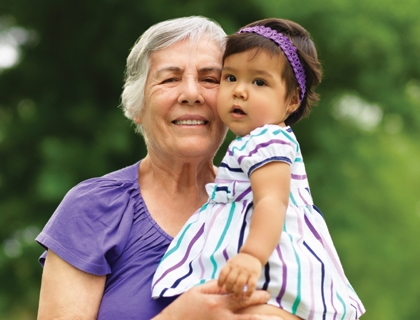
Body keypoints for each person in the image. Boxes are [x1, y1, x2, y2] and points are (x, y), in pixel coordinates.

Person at [35, 16, 285, 320]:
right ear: (138, 107)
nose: (191, 94)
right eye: (170, 79)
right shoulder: (93, 208)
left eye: (210, 79)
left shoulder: (267, 205)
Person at [151, 18, 366, 320]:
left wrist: (252, 257)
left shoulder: (268, 139)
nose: (240, 91)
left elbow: (272, 200)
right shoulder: (253, 142)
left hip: (272, 268)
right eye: (230, 78)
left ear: (292, 101)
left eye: (259, 82)